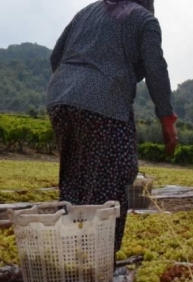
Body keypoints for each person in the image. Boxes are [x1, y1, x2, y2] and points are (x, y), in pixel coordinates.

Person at [46, 0, 178, 252]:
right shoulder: (145, 20)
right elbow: (155, 68)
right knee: (114, 179)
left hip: (61, 98)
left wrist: (72, 85)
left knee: (74, 179)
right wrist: (166, 118)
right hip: (103, 104)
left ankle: (71, 254)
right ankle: (98, 260)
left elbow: (56, 56)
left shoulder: (88, 11)